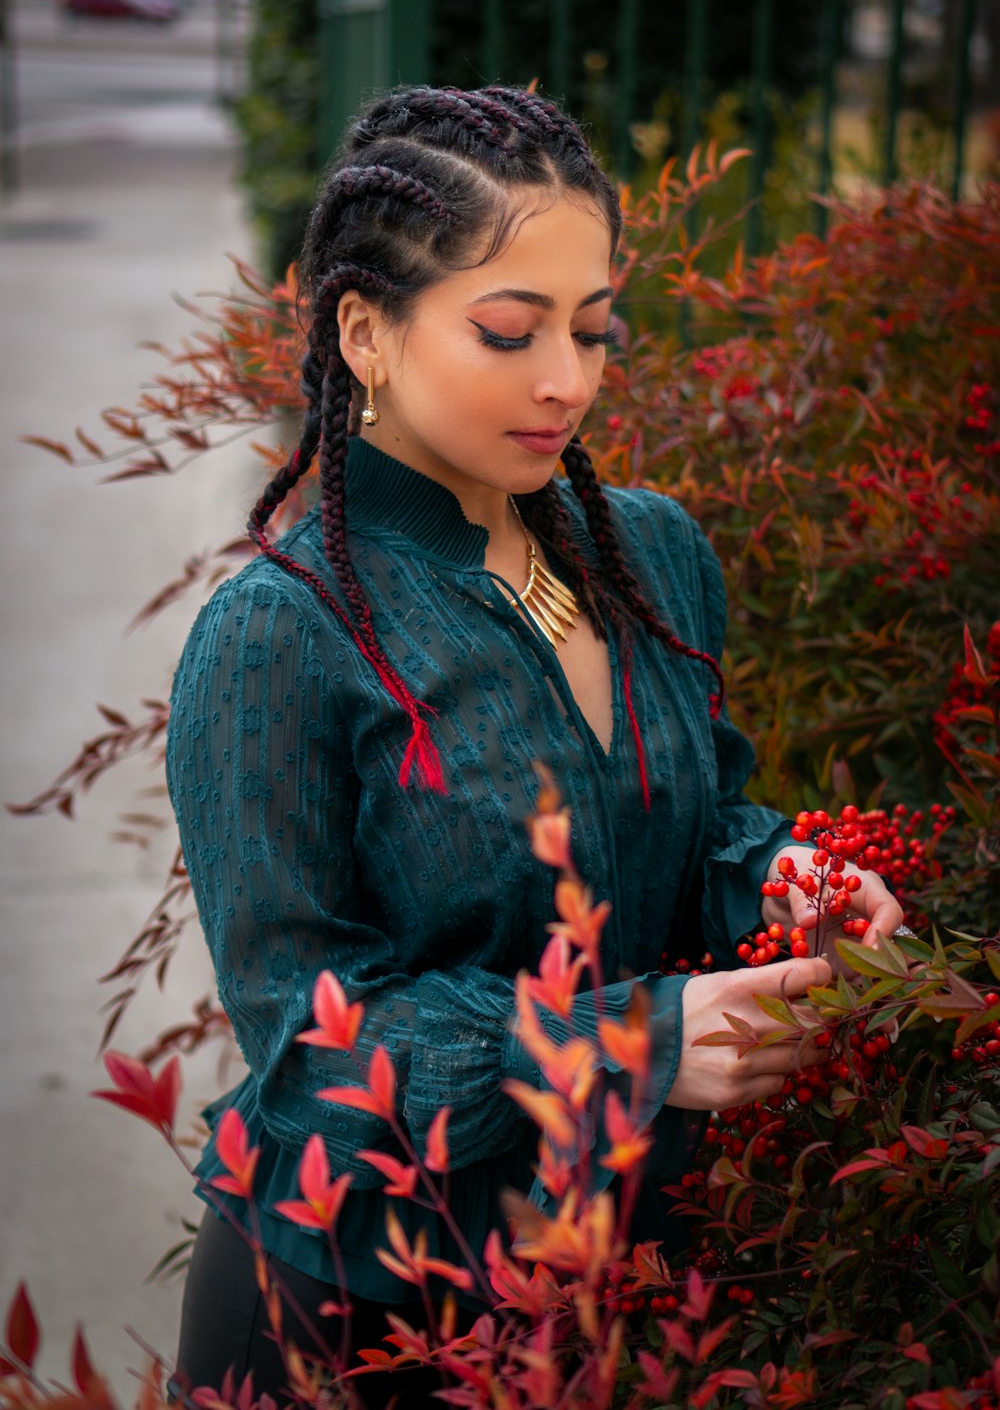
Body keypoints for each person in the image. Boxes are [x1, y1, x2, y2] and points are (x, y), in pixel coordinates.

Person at [163, 85, 903, 1407]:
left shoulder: (651, 552)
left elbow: (697, 827)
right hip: (372, 1300)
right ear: (363, 332)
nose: (568, 379)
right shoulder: (278, 635)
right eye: (509, 331)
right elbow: (308, 1052)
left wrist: (787, 876)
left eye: (593, 330)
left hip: (633, 1269)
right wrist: (630, 1040)